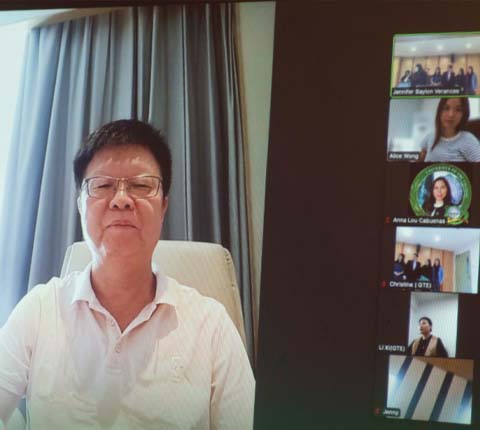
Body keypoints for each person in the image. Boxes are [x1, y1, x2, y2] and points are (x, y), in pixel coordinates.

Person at [0, 120, 255, 429]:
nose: (121, 198)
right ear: (80, 205)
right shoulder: (41, 309)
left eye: (141, 186)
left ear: (163, 207)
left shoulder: (211, 325)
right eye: (102, 186)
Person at [419, 97, 480, 162]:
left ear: (464, 114)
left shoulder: (468, 140)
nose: (451, 114)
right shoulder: (429, 137)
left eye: (458, 110)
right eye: (446, 108)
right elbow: (419, 164)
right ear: (439, 111)